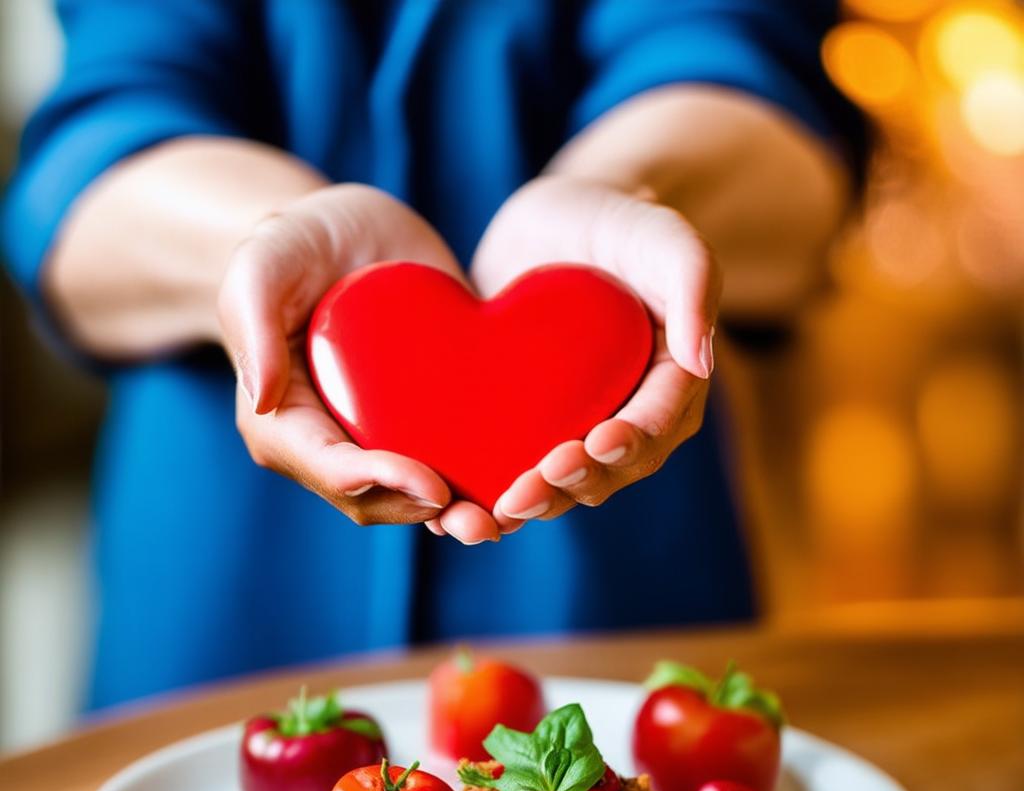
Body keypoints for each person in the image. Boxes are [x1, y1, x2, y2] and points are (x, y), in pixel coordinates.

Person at [2, 1, 859, 709]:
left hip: (619, 611)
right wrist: (264, 248)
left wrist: (628, 197)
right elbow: (78, 175)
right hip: (222, 621)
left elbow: (759, 98)